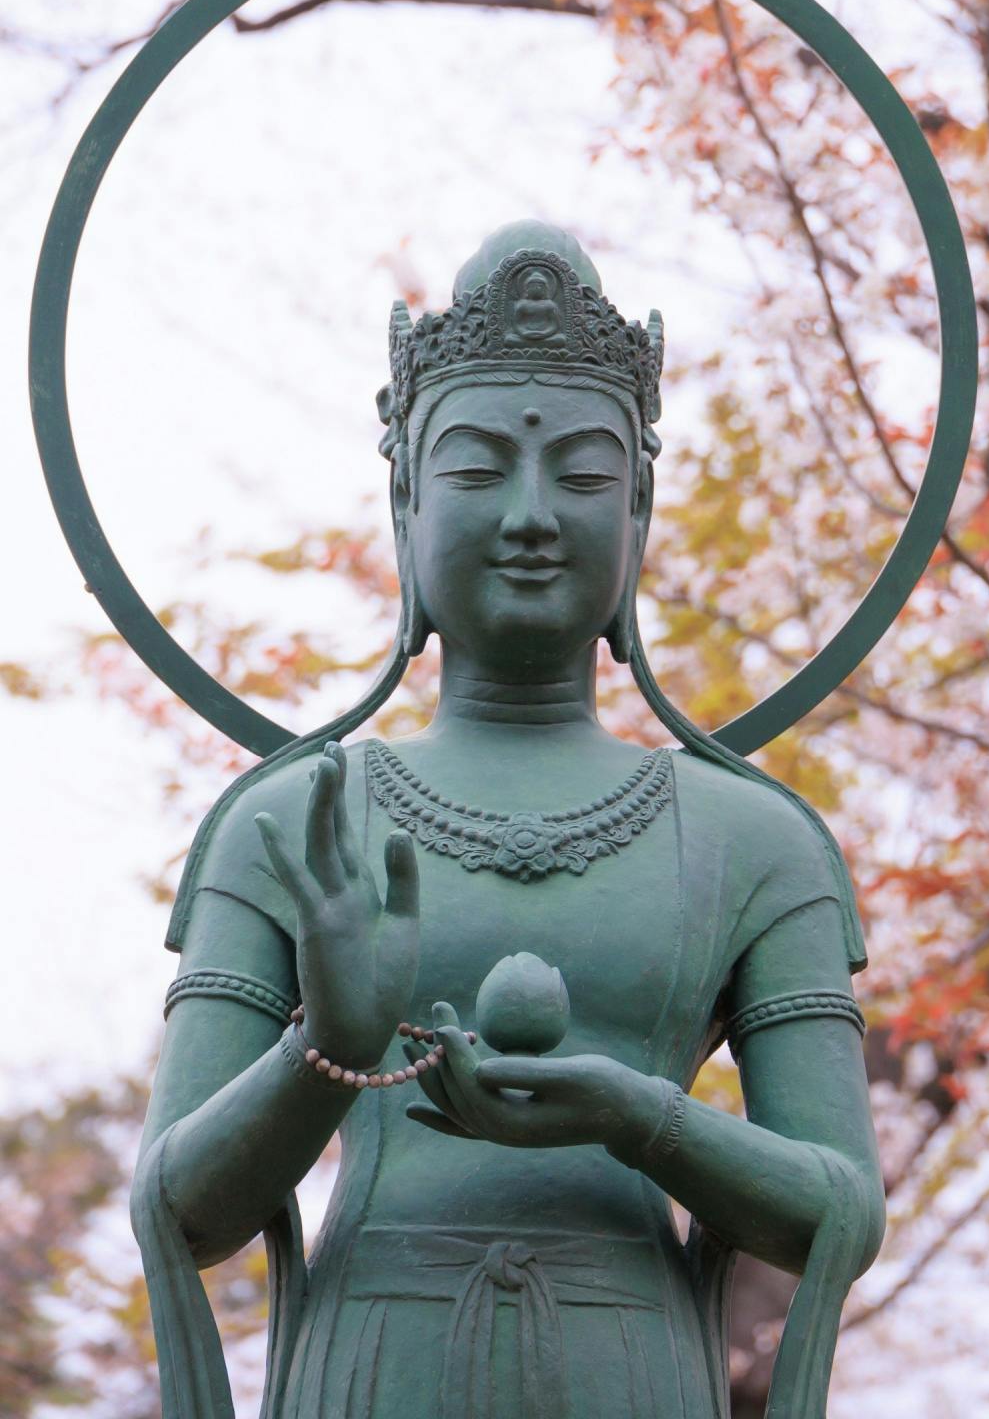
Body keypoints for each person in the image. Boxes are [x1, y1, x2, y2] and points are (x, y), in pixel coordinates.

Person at [133, 221, 884, 1419]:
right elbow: (179, 1208)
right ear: (404, 502)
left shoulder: (755, 839)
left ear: (638, 511)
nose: (532, 514)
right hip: (370, 1366)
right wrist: (323, 1042)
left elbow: (839, 1207)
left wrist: (643, 1116)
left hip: (632, 1369)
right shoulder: (296, 818)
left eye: (583, 476)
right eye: (478, 470)